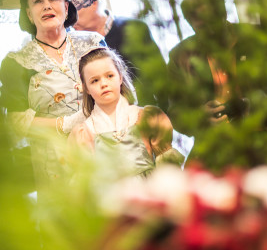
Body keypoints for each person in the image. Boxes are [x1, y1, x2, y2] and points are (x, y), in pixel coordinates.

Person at [0, 0, 106, 193]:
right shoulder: (17, 62)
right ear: (28, 13)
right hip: (56, 165)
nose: (46, 6)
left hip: (105, 149)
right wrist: (64, 125)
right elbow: (17, 123)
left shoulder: (93, 43)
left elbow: (119, 93)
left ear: (66, 6)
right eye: (37, 1)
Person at [69, 47, 184, 178]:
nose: (104, 84)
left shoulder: (146, 118)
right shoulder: (83, 134)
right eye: (95, 80)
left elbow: (169, 173)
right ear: (86, 88)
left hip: (149, 194)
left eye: (109, 76)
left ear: (120, 77)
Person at [168, 0, 253, 136]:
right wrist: (201, 117)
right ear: (190, 25)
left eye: (213, 23)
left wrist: (253, 106)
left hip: (261, 129)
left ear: (224, 13)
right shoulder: (180, 56)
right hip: (214, 139)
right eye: (202, 27)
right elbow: (176, 113)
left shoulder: (253, 38)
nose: (211, 32)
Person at [73, 0, 169, 111]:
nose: (70, 17)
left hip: (145, 113)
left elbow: (160, 77)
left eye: (75, 9)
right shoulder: (75, 45)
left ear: (93, 2)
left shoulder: (133, 29)